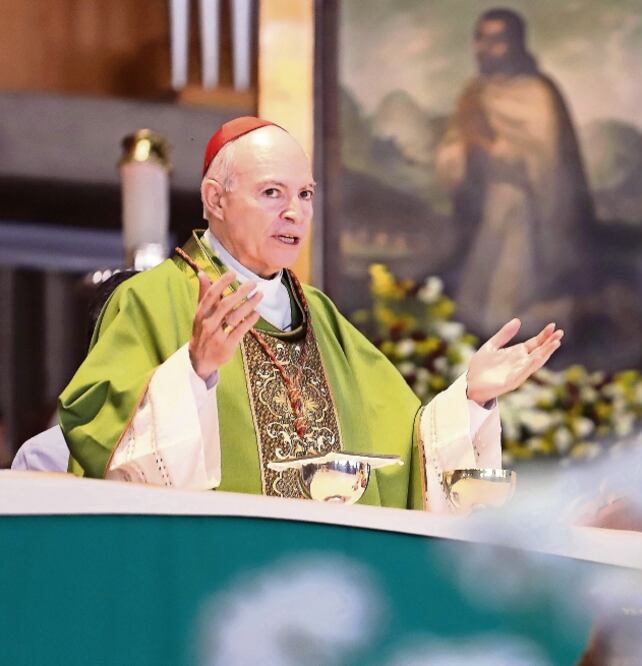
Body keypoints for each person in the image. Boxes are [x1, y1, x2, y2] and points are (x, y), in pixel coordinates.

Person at [58, 116, 563, 512]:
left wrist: (472, 398)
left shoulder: (320, 315)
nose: (295, 213)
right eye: (272, 193)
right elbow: (104, 440)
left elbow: (406, 450)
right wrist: (194, 372)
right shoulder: (152, 299)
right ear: (215, 199)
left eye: (305, 195)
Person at [435, 7, 595, 336]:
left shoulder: (538, 93)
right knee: (476, 302)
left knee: (508, 302)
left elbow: (545, 161)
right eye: (480, 38)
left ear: (515, 43)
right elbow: (451, 152)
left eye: (496, 40)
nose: (485, 48)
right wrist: (464, 153)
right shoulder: (473, 94)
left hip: (527, 210)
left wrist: (492, 150)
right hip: (483, 211)